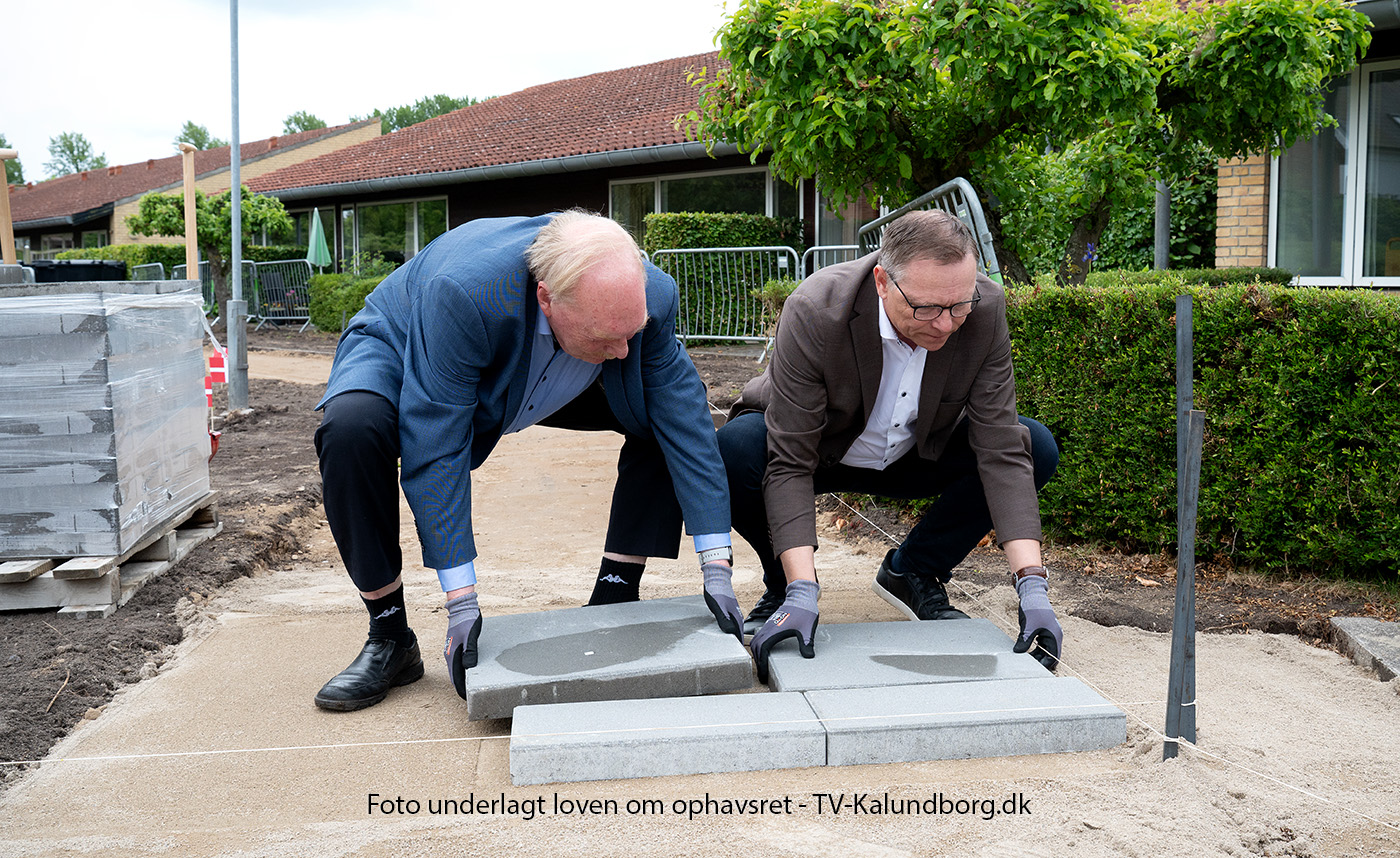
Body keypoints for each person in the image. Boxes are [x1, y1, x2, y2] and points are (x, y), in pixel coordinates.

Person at [312, 210, 744, 711]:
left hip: (561, 368)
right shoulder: (467, 293)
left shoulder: (647, 297)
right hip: (415, 346)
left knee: (661, 416)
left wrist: (717, 564)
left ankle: (615, 592)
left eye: (632, 331)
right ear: (548, 298)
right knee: (351, 428)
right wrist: (461, 604)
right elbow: (436, 446)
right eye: (608, 336)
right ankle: (389, 636)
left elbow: (686, 419)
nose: (625, 350)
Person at [717, 209, 1061, 681]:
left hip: (914, 453)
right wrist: (802, 587)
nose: (944, 324)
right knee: (736, 448)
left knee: (1034, 444)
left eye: (958, 306)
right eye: (925, 309)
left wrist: (1033, 588)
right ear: (882, 281)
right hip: (821, 449)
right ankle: (785, 587)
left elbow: (1000, 447)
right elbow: (790, 461)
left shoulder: (982, 306)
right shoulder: (817, 307)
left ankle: (914, 571)